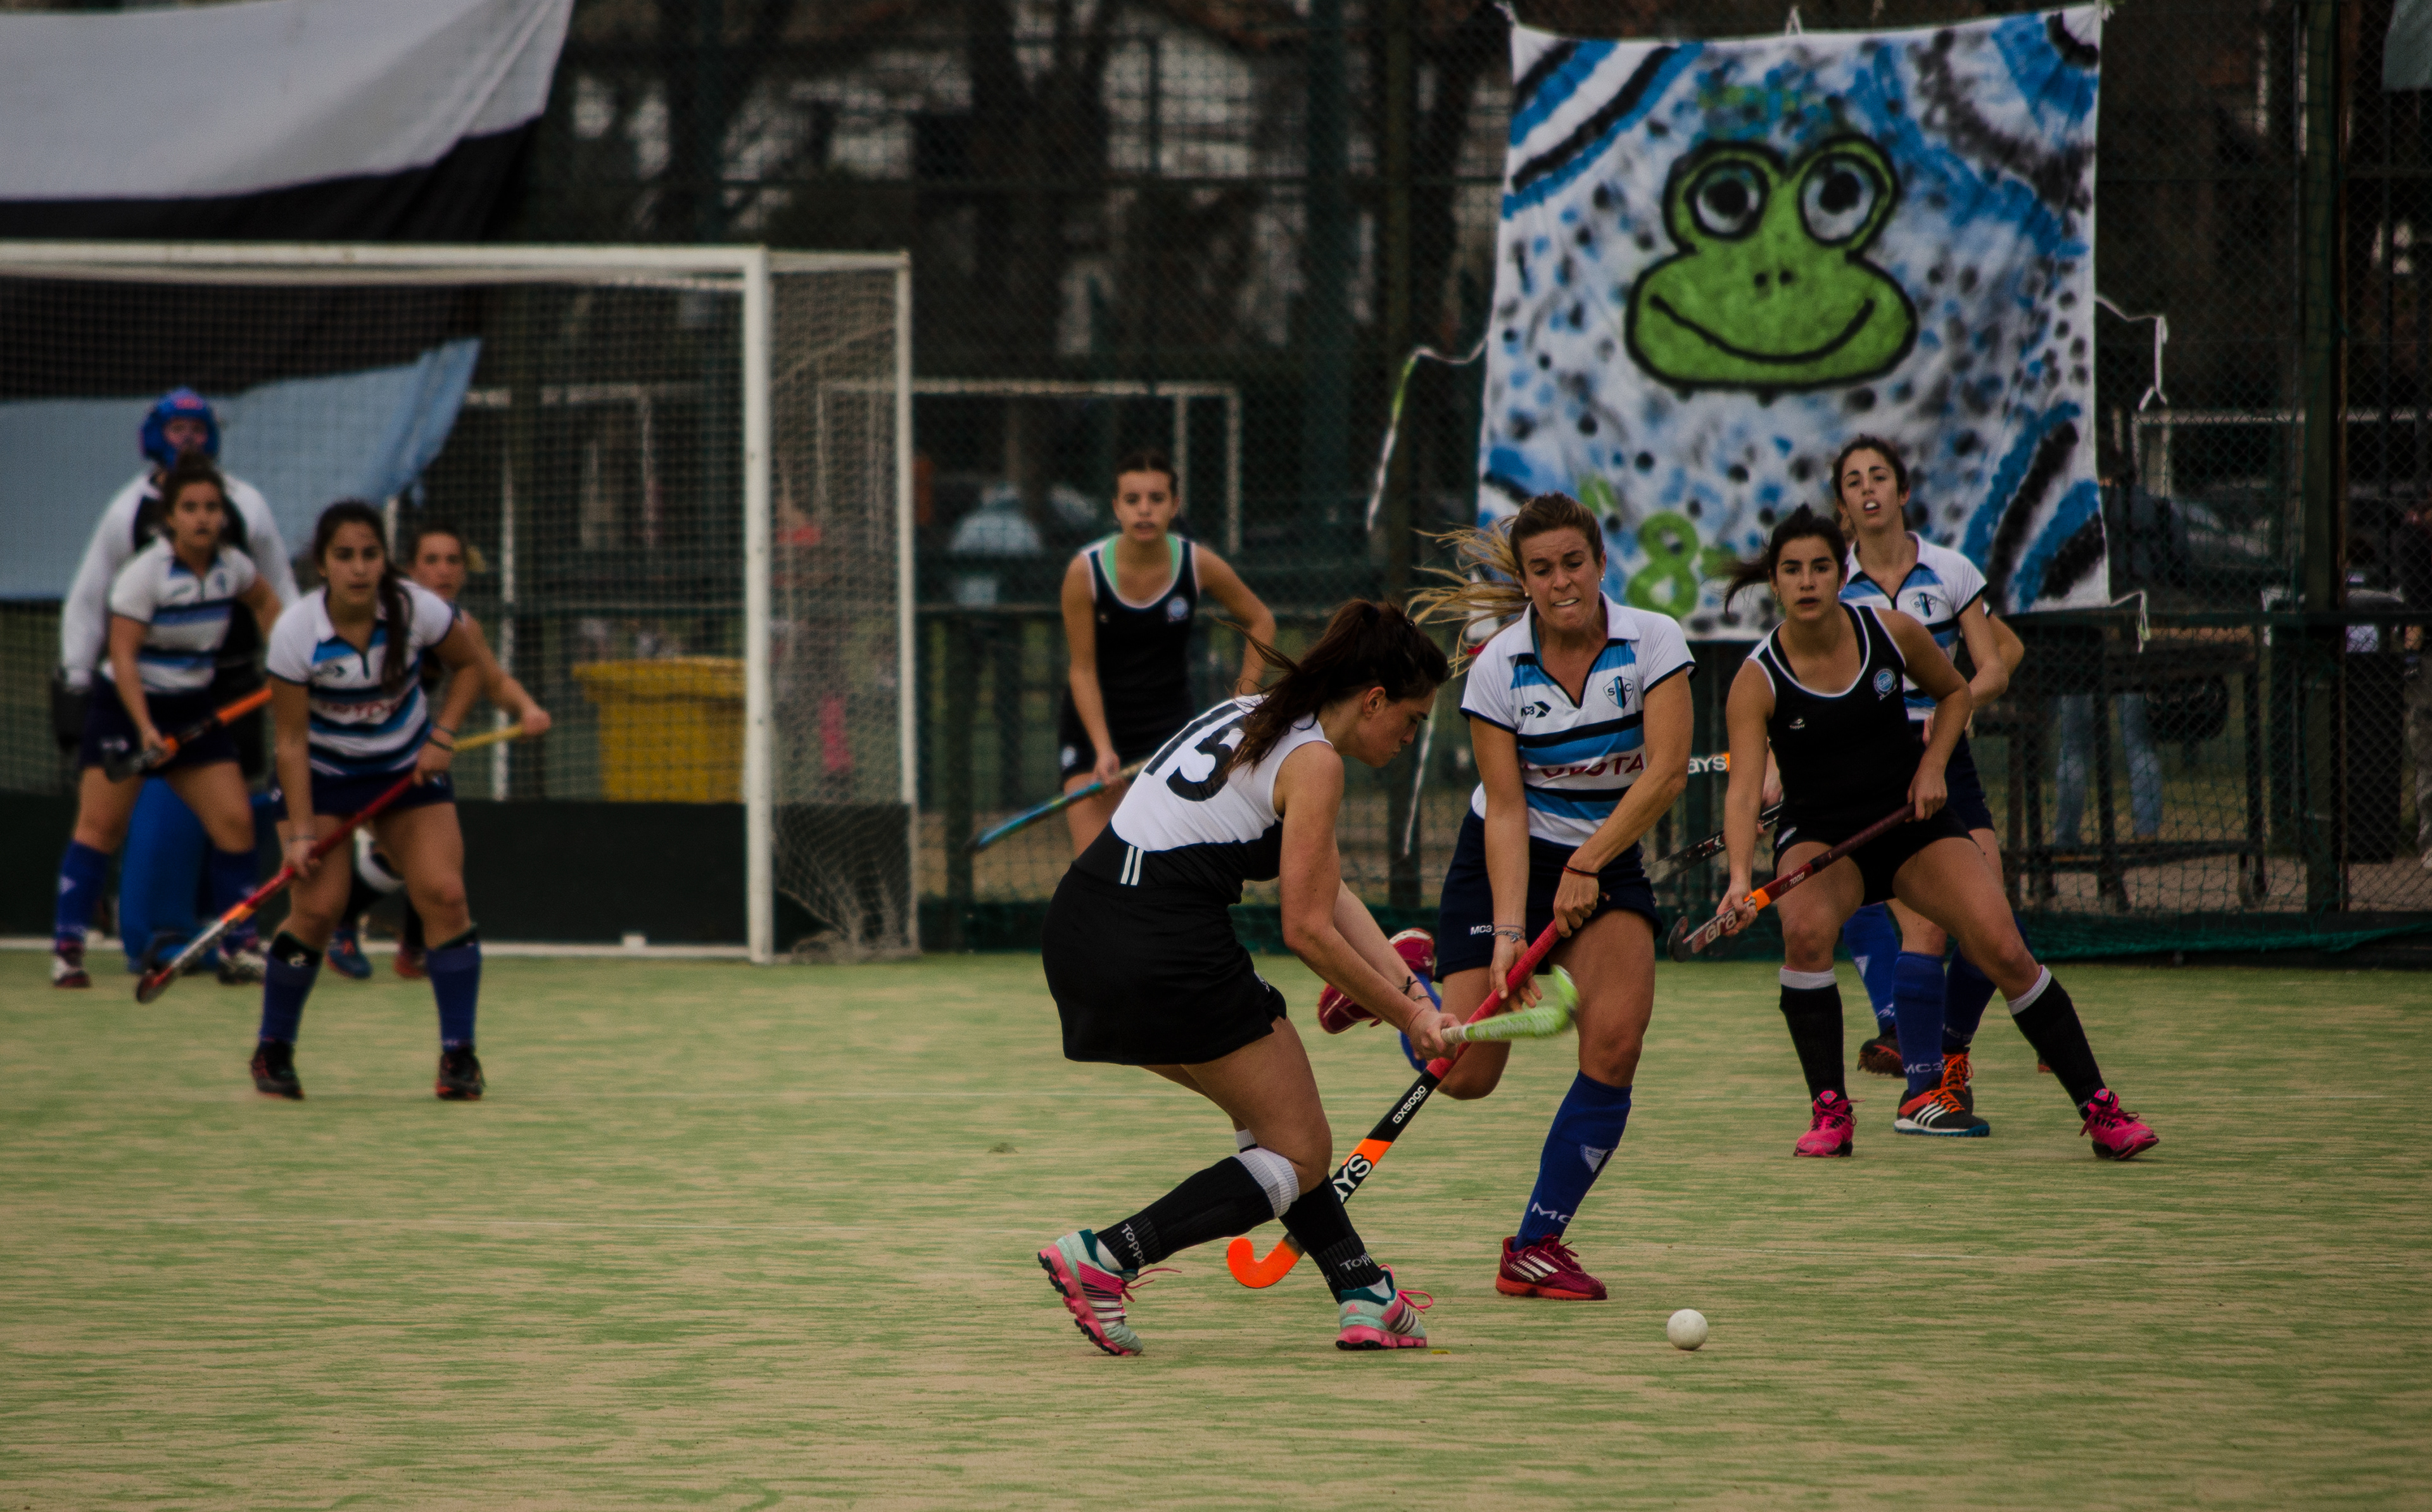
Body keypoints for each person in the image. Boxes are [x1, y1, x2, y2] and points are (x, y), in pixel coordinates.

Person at [1035, 600, 1457, 1356]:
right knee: (1299, 1153)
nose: (1410, 737)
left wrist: (1411, 993)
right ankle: (1107, 1257)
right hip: (1163, 948)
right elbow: (1307, 929)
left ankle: (1363, 1292)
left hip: (1082, 931)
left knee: (1275, 1133)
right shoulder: (1317, 762)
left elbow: (1330, 889)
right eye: (1413, 719)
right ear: (1374, 700)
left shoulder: (1258, 714)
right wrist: (1412, 1018)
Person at [1712, 507, 2158, 1160]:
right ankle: (1831, 1111)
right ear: (1775, 583)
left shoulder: (1892, 633)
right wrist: (1739, 879)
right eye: (1792, 570)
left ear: (1842, 574)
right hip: (1822, 836)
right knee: (1804, 936)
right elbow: (1743, 790)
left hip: (1909, 823)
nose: (1807, 581)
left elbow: (1954, 695)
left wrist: (1931, 767)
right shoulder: (1756, 679)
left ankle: (2100, 1110)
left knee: (2004, 948)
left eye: (1821, 567)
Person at [1372, 491, 1692, 1303]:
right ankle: (1405, 989)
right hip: (1502, 860)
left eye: (1573, 564)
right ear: (1524, 579)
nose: (1561, 582)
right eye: (1542, 569)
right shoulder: (1497, 669)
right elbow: (1507, 809)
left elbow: (1664, 775)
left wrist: (1591, 861)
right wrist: (1510, 931)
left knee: (1614, 1045)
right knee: (1467, 1077)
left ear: (1601, 563)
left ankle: (1535, 1245)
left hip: (1606, 857)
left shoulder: (1654, 641)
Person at [250, 502, 495, 1102]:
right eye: (344, 556)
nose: (359, 568)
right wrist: (300, 834)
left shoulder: (416, 609)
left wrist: (443, 734)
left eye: (369, 555)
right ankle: (273, 1048)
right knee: (318, 909)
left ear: (385, 560)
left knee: (445, 893)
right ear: (322, 565)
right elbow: (290, 742)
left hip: (404, 772)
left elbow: (470, 666)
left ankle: (459, 1055)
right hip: (323, 777)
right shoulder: (296, 633)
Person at [1828, 436, 2027, 1116]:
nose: (1868, 489)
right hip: (1879, 766)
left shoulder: (1949, 570)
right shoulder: (1833, 585)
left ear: (1903, 491)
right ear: (1843, 504)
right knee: (1927, 930)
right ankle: (1926, 1090)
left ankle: (1950, 1048)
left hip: (1948, 757)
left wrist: (1954, 706)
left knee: (1992, 923)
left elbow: (1995, 664)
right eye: (1854, 481)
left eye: (1879, 476)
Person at [51, 458, 284, 987]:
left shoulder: (233, 567)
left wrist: (284, 662)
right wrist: (145, 728)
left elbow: (267, 603)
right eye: (190, 508)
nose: (203, 518)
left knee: (235, 825)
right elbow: (123, 655)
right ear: (170, 517)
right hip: (125, 706)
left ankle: (240, 947)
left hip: (193, 706)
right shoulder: (144, 574)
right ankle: (67, 949)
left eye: (212, 507)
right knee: (100, 828)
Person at [324, 522, 549, 980]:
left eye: (453, 561)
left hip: (407, 750)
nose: (444, 571)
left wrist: (526, 708)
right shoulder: (381, 612)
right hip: (345, 748)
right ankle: (352, 926)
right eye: (432, 560)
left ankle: (408, 945)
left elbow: (493, 682)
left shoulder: (462, 625)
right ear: (410, 569)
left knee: (421, 853)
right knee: (406, 852)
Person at [1056, 450, 1275, 853]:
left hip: (1167, 730)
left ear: (1174, 506)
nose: (1144, 510)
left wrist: (1242, 702)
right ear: (1116, 508)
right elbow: (1082, 670)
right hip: (1094, 734)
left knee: (1160, 865)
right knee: (1095, 867)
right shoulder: (1084, 572)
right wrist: (1103, 750)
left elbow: (1261, 619)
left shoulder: (1196, 563)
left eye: (1156, 499)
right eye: (1132, 500)